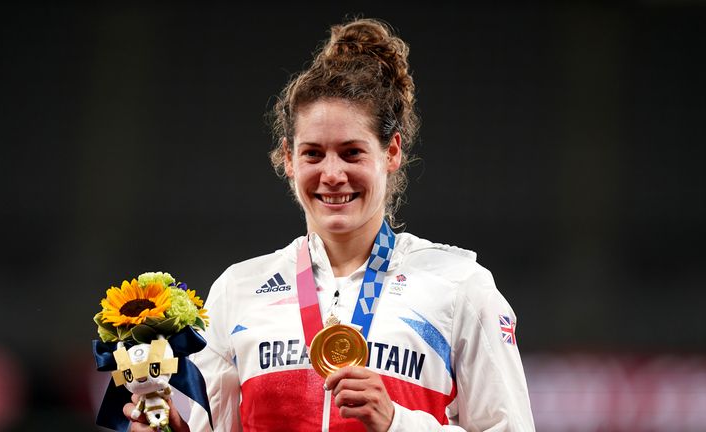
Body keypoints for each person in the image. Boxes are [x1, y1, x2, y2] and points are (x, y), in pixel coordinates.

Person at [125, 17, 535, 431]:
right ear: (288, 158)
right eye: (313, 154)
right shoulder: (238, 290)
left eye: (352, 152)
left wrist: (397, 423)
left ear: (391, 153)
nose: (332, 174)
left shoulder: (459, 286)